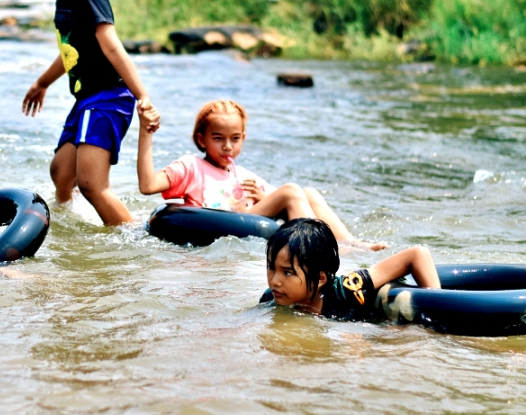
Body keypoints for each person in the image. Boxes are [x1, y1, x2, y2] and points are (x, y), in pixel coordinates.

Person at [22, 0, 158, 226]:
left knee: (91, 184)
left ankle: (137, 239)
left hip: (108, 97)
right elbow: (72, 52)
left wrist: (143, 97)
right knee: (61, 172)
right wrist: (42, 83)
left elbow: (111, 45)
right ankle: (69, 228)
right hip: (87, 100)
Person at [137, 99, 385, 250]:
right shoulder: (191, 167)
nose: (227, 146)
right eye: (218, 138)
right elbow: (148, 185)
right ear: (201, 139)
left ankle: (348, 244)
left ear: (243, 138)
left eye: (235, 139)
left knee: (307, 193)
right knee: (290, 190)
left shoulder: (242, 174)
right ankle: (319, 249)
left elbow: (292, 202)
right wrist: (146, 133)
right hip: (218, 224)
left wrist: (263, 194)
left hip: (248, 220)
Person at [263, 218, 440, 320]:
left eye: (287, 272)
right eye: (271, 267)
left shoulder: (347, 291)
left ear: (320, 279)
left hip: (386, 304)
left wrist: (437, 307)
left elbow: (417, 254)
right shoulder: (272, 297)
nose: (275, 280)